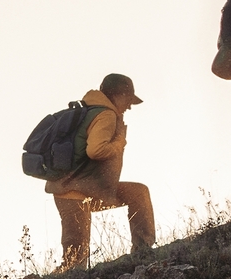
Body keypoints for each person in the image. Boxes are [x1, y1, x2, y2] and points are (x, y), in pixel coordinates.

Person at [48, 72, 155, 268]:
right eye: (128, 99)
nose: (130, 105)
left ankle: (143, 253)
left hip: (72, 190)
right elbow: (96, 150)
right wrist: (120, 141)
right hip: (76, 193)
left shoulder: (89, 110)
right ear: (118, 95)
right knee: (75, 262)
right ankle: (143, 252)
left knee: (138, 193)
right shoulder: (106, 114)